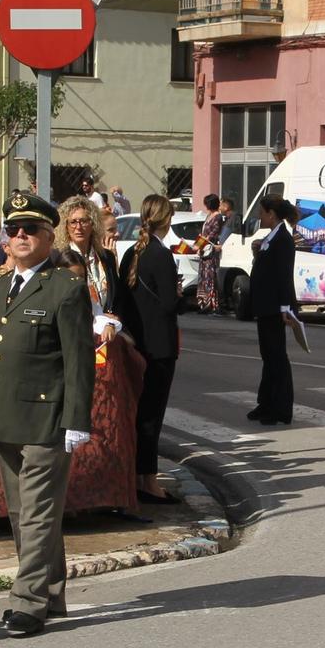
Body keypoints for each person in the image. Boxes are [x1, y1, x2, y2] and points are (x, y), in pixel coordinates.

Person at [0, 191, 95, 639]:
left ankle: (28, 601)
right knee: (23, 513)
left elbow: (78, 362)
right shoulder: (0, 288)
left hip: (46, 419)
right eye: (13, 230)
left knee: (38, 512)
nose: (20, 237)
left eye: (31, 230)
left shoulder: (65, 288)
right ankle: (52, 592)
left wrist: (77, 419)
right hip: (5, 417)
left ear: (47, 235)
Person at [117, 194, 183, 504]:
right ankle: (149, 481)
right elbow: (170, 304)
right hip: (160, 346)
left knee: (139, 413)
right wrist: (178, 289)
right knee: (152, 416)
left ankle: (136, 475)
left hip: (137, 343)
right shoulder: (161, 255)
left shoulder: (132, 252)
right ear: (166, 219)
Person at [246, 194, 298, 425]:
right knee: (268, 356)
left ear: (272, 214)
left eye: (262, 212)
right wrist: (257, 253)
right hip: (264, 305)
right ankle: (265, 402)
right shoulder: (271, 237)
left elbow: (284, 275)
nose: (259, 215)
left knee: (277, 357)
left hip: (275, 307)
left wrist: (285, 307)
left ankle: (281, 408)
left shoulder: (283, 240)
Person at [60, 196, 125, 346]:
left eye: (84, 221)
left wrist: (114, 319)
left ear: (93, 224)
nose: (79, 227)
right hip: (76, 337)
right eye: (73, 222)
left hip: (108, 336)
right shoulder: (61, 258)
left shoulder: (106, 256)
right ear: (66, 226)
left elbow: (118, 296)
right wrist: (100, 319)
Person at [196, 193, 231, 314]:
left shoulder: (217, 217)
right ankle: (204, 303)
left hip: (210, 252)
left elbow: (213, 234)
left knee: (210, 277)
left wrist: (201, 243)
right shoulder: (209, 216)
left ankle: (211, 304)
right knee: (204, 277)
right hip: (204, 251)